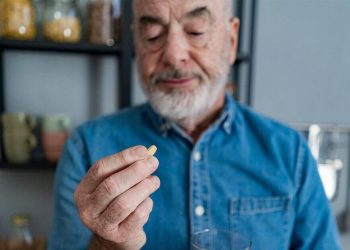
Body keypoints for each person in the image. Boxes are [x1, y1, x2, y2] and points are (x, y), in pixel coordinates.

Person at [48, 0, 341, 249]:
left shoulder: (291, 154)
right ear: (136, 41)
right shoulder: (87, 149)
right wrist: (108, 245)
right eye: (152, 35)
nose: (174, 55)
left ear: (232, 40)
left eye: (197, 31)